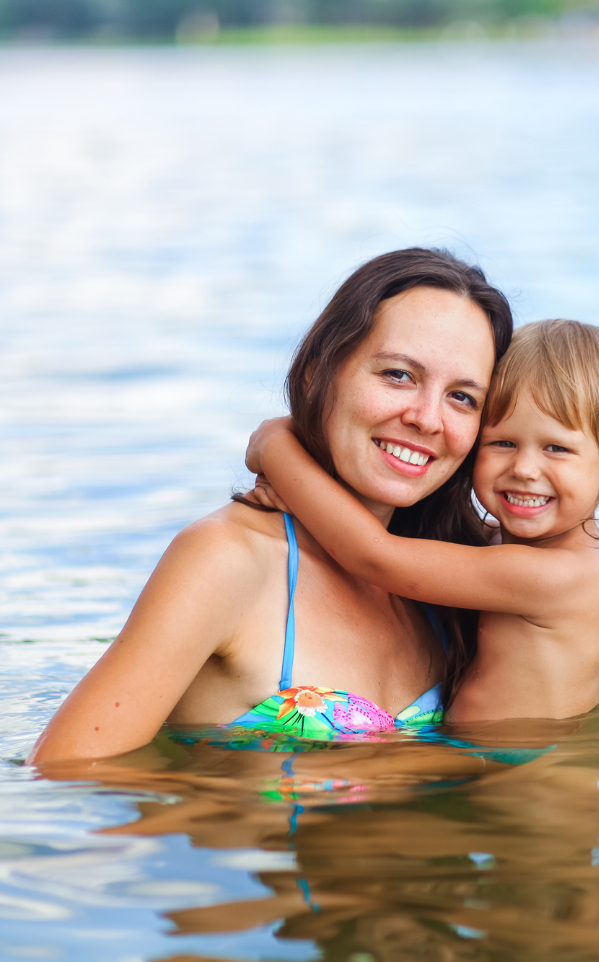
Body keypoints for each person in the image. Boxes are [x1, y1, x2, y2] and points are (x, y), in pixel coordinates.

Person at [28, 248, 512, 764]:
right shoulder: (226, 559)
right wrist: (214, 797)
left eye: (463, 397)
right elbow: (67, 769)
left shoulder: (453, 579)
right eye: (398, 374)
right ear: (316, 375)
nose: (427, 418)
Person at [244, 319, 599, 722]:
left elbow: (375, 556)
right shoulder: (517, 547)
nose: (524, 469)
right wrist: (311, 501)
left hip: (511, 764)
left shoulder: (557, 575)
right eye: (503, 442)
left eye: (556, 448)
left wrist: (276, 450)